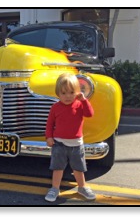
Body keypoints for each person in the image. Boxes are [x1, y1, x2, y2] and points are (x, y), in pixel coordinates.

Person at [45, 73, 96, 202]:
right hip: (59, 143)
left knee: (78, 168)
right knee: (58, 168)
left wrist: (84, 100)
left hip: (77, 144)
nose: (67, 96)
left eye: (71, 92)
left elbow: (90, 114)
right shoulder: (55, 107)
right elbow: (50, 124)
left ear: (77, 92)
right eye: (63, 93)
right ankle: (55, 188)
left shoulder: (79, 105)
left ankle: (82, 187)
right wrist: (49, 137)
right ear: (58, 93)